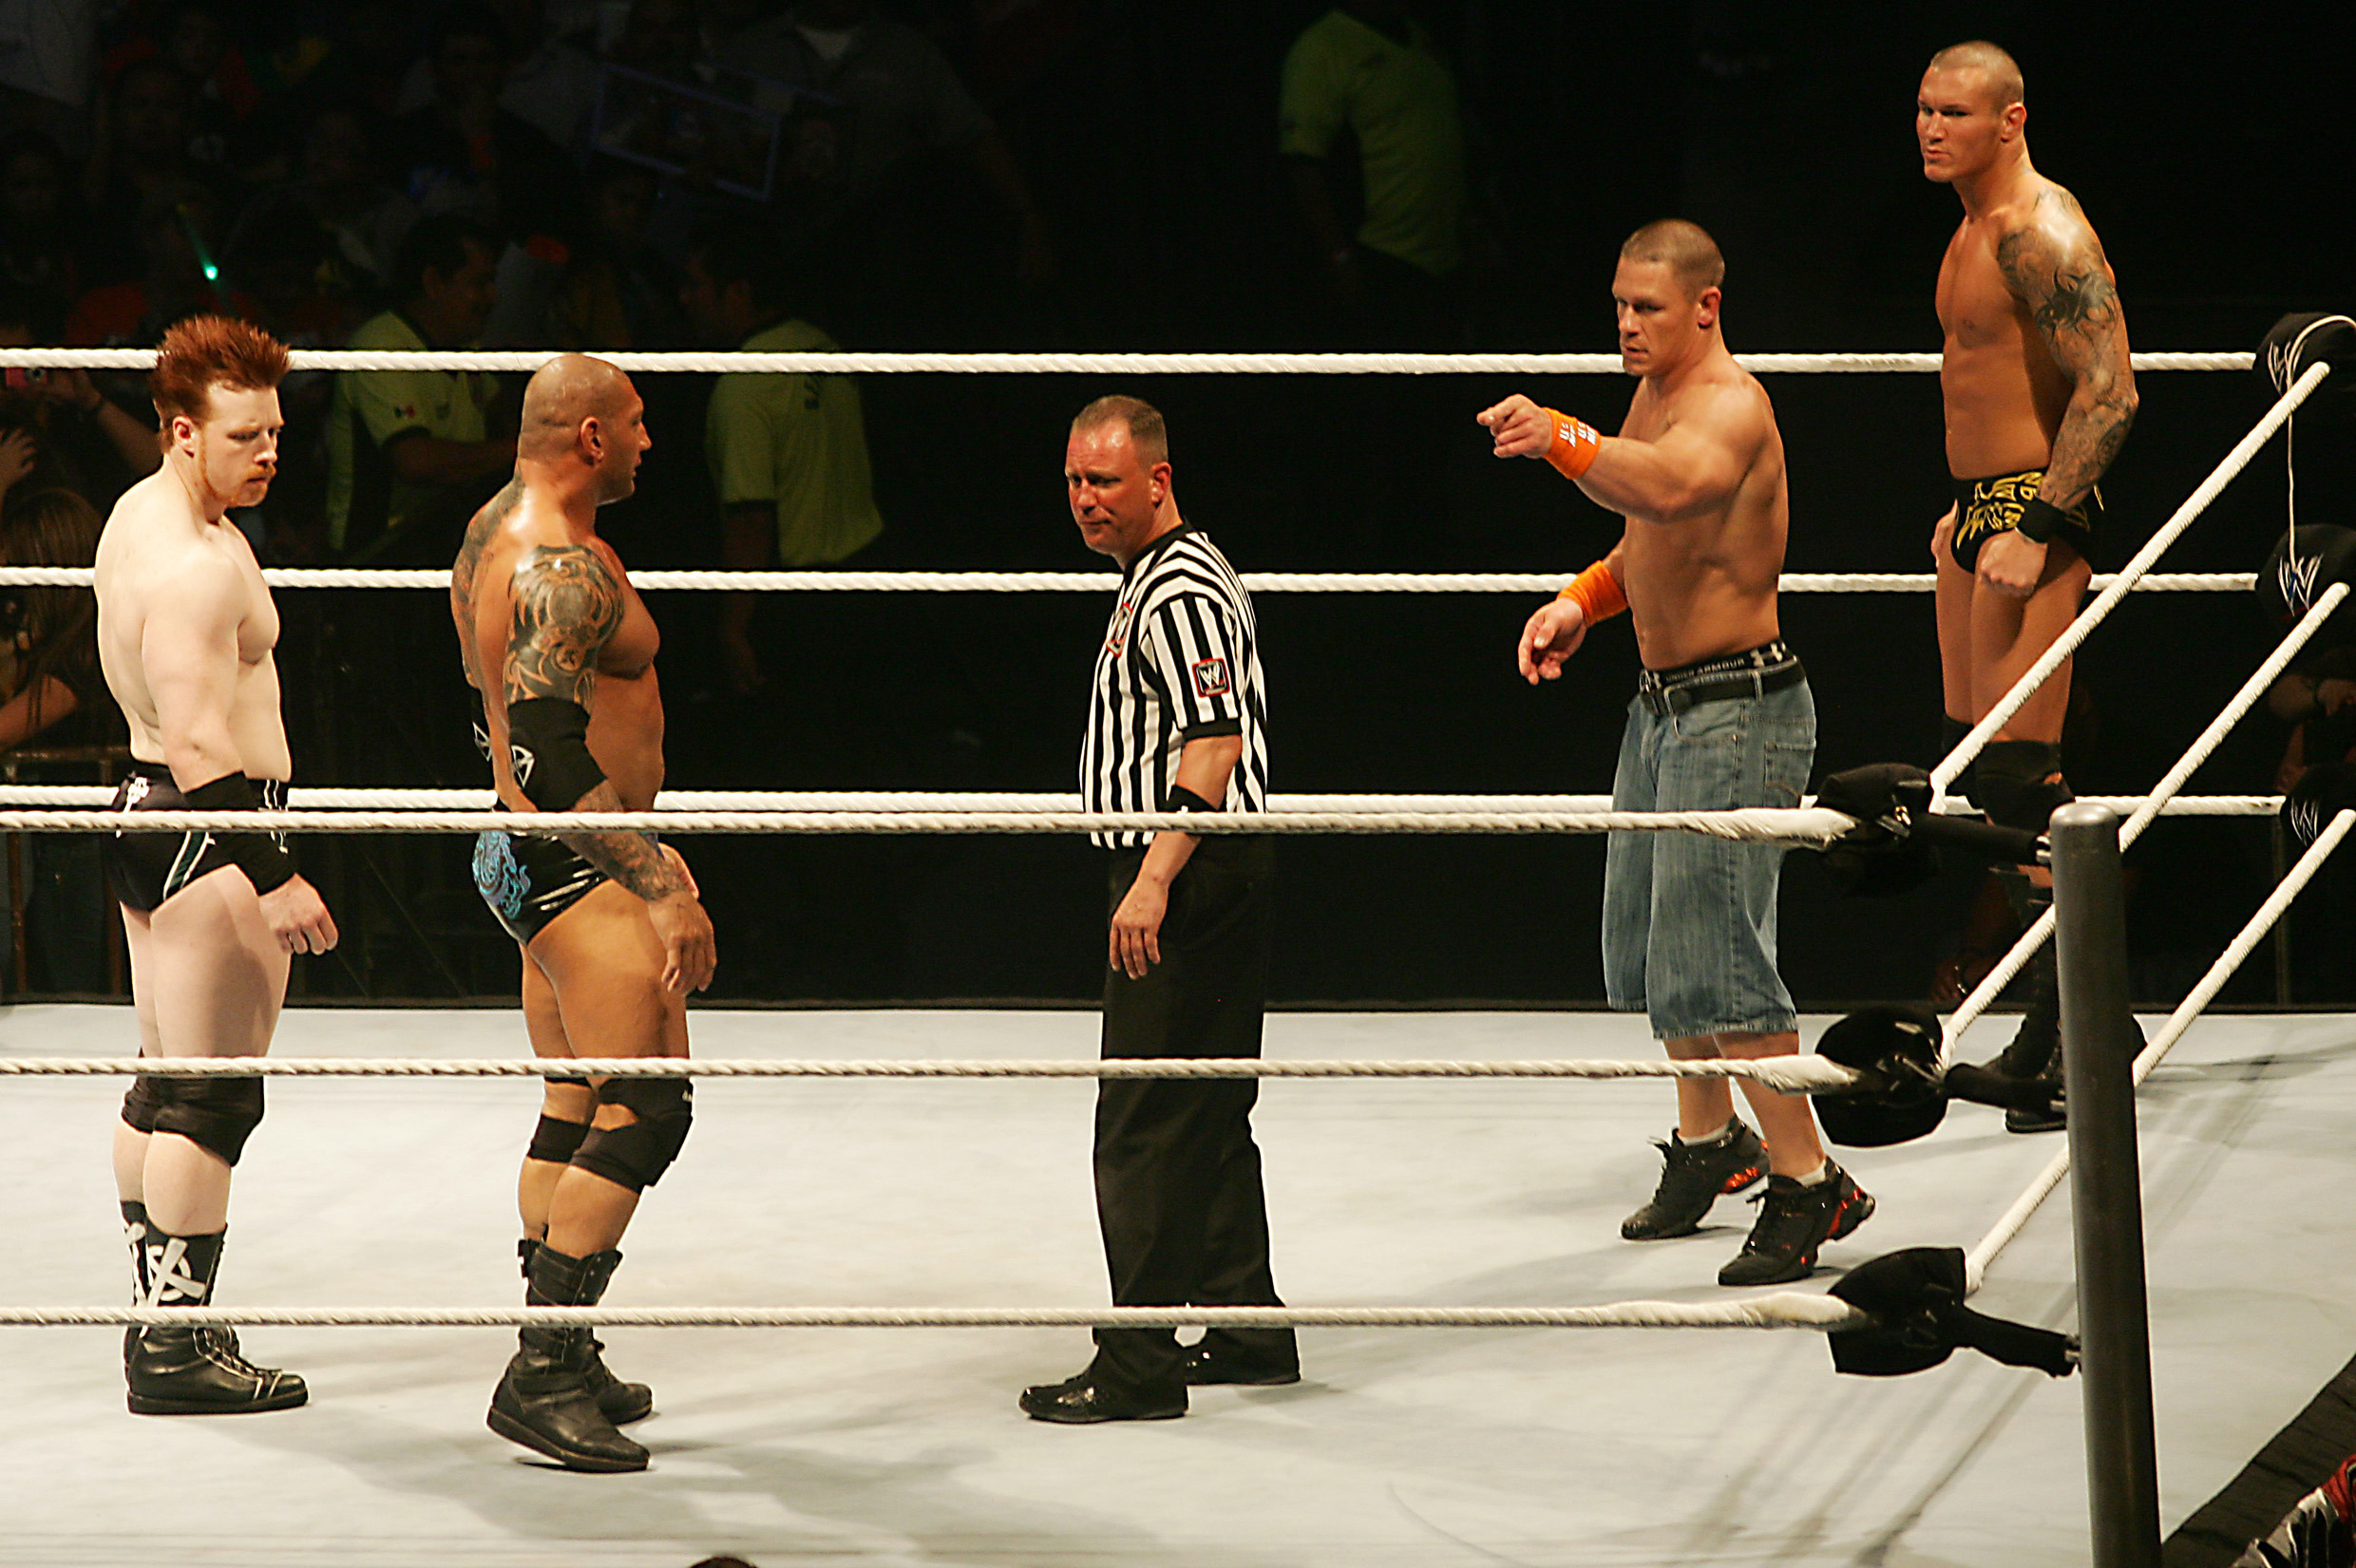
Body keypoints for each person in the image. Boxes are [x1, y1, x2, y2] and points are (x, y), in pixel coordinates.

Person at [1478, 221, 1872, 1287]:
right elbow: (1644, 539)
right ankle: (1711, 1144)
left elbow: (1665, 490)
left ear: (1704, 303)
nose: (1624, 324)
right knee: (1654, 955)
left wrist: (1559, 436)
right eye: (1616, 304)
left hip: (1737, 709)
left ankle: (1809, 1179)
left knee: (1720, 962)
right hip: (1664, 707)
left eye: (1645, 307)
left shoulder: (1729, 405)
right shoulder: (1651, 400)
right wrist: (1578, 602)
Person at [450, 351, 716, 1473]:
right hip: (579, 858)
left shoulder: (486, 533)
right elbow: (548, 747)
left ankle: (570, 1340)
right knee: (649, 1107)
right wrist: (661, 882)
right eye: (639, 423)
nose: (653, 441)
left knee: (579, 1095)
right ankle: (544, 1369)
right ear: (592, 438)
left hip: (518, 855)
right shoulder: (560, 565)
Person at [1018, 395, 1294, 1424]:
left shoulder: (1176, 589)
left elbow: (1211, 743)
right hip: (1204, 870)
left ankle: (1135, 1362)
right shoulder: (1163, 576)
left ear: (1157, 480)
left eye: (1103, 481)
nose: (1084, 501)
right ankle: (1247, 1322)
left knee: (1140, 1120)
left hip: (1184, 870)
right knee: (1207, 1106)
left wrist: (1151, 876)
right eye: (1073, 482)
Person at [92, 314, 339, 1413]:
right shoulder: (192, 565)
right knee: (209, 1097)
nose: (269, 452)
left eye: (277, 431)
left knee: (165, 1079)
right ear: (184, 431)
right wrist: (274, 869)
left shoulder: (144, 512)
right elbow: (200, 744)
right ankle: (175, 1347)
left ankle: (166, 1317)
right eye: (246, 435)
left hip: (153, 817)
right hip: (211, 824)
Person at [1919, 41, 2138, 1129]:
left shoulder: (2040, 232)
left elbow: (2110, 389)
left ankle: (2060, 1044)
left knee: (2019, 776)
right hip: (1981, 506)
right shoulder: (1966, 229)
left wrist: (2038, 522)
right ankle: (2099, 1015)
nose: (1930, 127)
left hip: (2029, 509)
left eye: (1954, 111)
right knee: (1981, 779)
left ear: (2009, 120)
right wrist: (1968, 518)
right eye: (1922, 109)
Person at [680, 219, 883, 694]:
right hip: (865, 580)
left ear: (737, 292)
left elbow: (751, 519)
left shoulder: (746, 386)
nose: (684, 298)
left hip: (798, 608)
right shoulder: (822, 344)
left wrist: (733, 630)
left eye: (695, 284)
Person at [325, 216, 513, 562]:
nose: (493, 297)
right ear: (434, 283)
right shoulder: (379, 348)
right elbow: (417, 462)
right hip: (378, 554)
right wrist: (527, 452)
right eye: (480, 283)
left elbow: (504, 410)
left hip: (441, 538)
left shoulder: (462, 349)